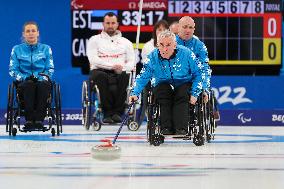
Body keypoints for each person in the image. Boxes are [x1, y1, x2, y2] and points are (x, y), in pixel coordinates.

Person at [129, 30, 203, 135]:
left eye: (168, 45)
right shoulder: (153, 57)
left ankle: (181, 128)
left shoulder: (186, 54)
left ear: (175, 45)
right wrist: (135, 93)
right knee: (163, 93)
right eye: (161, 45)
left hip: (184, 82)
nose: (165, 49)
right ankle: (166, 128)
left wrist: (195, 93)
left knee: (182, 94)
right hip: (163, 83)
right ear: (157, 45)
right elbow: (143, 76)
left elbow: (198, 74)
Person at [86, 12, 135, 123]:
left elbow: (132, 62)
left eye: (113, 23)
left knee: (125, 76)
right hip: (100, 71)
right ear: (103, 24)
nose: (110, 25)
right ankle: (107, 113)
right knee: (101, 76)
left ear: (117, 24)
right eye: (107, 23)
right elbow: (93, 60)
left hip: (120, 71)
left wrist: (122, 68)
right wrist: (112, 66)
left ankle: (117, 113)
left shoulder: (126, 42)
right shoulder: (94, 40)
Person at [9, 21, 54, 130]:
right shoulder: (16, 49)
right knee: (29, 85)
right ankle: (29, 120)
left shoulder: (46, 49)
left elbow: (50, 69)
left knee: (42, 85)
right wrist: (24, 77)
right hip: (24, 81)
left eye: (33, 31)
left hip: (42, 80)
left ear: (38, 33)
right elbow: (12, 70)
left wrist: (41, 77)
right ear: (23, 34)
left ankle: (39, 120)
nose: (31, 33)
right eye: (28, 31)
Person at [176, 16, 211, 102]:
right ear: (178, 28)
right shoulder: (170, 43)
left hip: (193, 83)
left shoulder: (200, 46)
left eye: (190, 27)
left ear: (194, 29)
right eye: (185, 27)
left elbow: (205, 69)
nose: (188, 30)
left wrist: (204, 89)